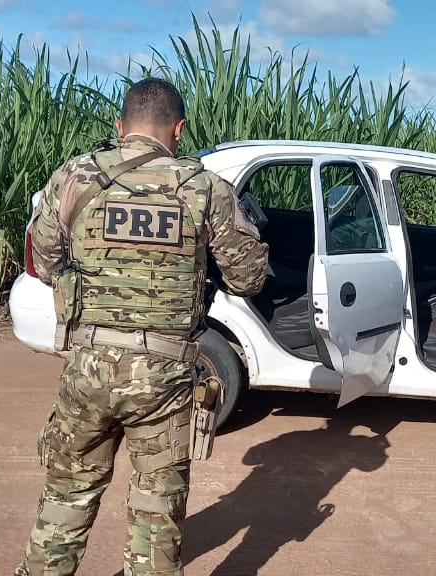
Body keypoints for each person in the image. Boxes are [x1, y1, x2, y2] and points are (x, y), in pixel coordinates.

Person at [15, 76, 269, 576]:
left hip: (88, 366)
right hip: (163, 374)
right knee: (156, 510)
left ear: (120, 126)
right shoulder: (203, 188)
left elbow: (42, 259)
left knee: (67, 493)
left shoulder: (75, 176)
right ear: (178, 130)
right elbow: (248, 278)